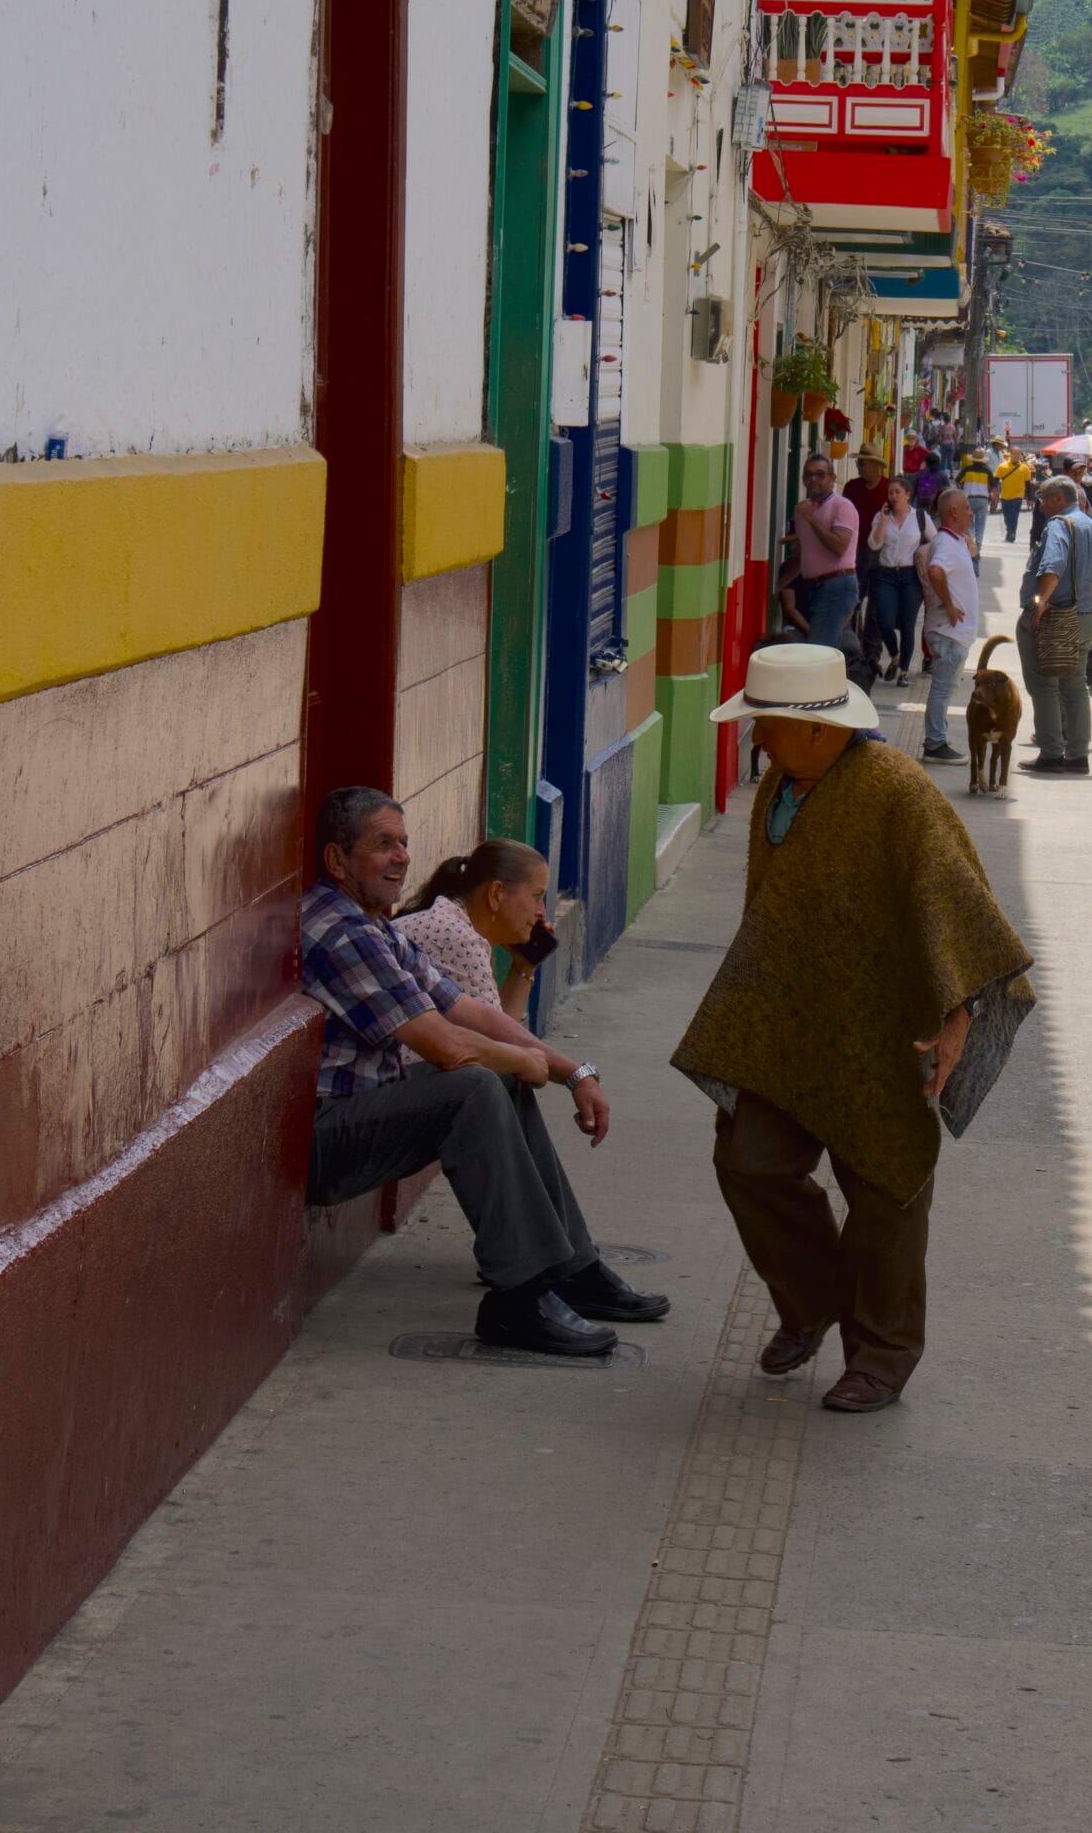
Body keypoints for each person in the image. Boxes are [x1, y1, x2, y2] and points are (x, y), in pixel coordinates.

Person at [675, 642, 1036, 1413]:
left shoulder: (896, 791)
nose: (755, 738)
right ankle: (811, 1303)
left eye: (764, 724)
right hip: (785, 1020)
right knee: (749, 1162)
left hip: (884, 1023)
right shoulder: (781, 782)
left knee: (886, 1192)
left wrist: (954, 1022)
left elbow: (960, 905)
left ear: (813, 728)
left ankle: (880, 1355)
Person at [300, 788, 668, 1357]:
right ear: (336, 860)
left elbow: (464, 1010)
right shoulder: (342, 933)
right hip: (324, 1143)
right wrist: (529, 1063)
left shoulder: (378, 928)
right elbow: (446, 1045)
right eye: (382, 845)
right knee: (475, 1084)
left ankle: (571, 1266)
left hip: (366, 1114)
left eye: (403, 842)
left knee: (493, 1078)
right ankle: (518, 1299)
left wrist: (574, 1073)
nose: (400, 856)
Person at [1015, 477, 1092, 776]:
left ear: (1059, 500)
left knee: (1045, 685)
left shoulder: (1058, 525)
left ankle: (1051, 754)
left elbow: (1053, 565)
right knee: (1075, 685)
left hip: (1053, 618)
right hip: (1085, 618)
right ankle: (1078, 756)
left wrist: (1039, 603)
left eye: (1043, 498)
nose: (1040, 504)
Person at [393, 837, 556, 1015]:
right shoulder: (460, 940)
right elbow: (497, 1039)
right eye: (536, 896)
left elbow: (498, 1031)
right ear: (495, 894)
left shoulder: (454, 923)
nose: (542, 912)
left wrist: (523, 968)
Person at [916, 487, 979, 762]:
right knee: (942, 690)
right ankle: (935, 742)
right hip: (948, 632)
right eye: (966, 507)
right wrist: (950, 605)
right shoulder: (944, 543)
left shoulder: (955, 541)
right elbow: (935, 570)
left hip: (952, 633)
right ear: (953, 511)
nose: (971, 512)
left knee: (945, 688)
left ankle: (937, 739)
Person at [866, 474, 933, 686]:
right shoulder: (881, 517)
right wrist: (884, 521)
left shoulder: (920, 517)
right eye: (890, 492)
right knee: (884, 621)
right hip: (886, 575)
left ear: (908, 494)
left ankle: (903, 671)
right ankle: (894, 655)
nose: (893, 496)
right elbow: (874, 545)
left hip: (910, 575)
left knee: (907, 625)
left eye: (897, 492)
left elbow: (937, 541)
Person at [789, 452, 860, 648]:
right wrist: (780, 585)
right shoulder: (801, 511)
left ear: (832, 478)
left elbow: (839, 546)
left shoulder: (842, 507)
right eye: (808, 474)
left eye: (820, 474)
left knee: (818, 650)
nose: (813, 479)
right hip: (812, 587)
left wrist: (812, 519)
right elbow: (806, 552)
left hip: (836, 585)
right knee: (824, 651)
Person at [843, 447, 890, 643]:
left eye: (862, 463)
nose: (859, 467)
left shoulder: (889, 488)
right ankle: (852, 644)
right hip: (855, 551)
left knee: (877, 604)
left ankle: (872, 651)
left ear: (874, 465)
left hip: (881, 552)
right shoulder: (852, 487)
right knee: (853, 600)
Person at [957, 439, 996, 553]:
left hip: (968, 499)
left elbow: (958, 481)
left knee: (968, 523)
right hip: (983, 500)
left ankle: (970, 544)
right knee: (981, 524)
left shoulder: (967, 470)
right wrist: (993, 497)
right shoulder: (987, 471)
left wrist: (961, 491)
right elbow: (993, 486)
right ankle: (978, 547)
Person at [995, 444, 1031, 542]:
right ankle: (1010, 531)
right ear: (1010, 454)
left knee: (1014, 516)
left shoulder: (1025, 468)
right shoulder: (1002, 467)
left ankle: (1012, 534)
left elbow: (1028, 485)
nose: (1016, 455)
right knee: (1007, 517)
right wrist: (993, 491)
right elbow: (995, 480)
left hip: (1017, 496)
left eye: (1018, 454)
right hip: (1005, 496)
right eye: (1014, 453)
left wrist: (1030, 498)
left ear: (1021, 455)